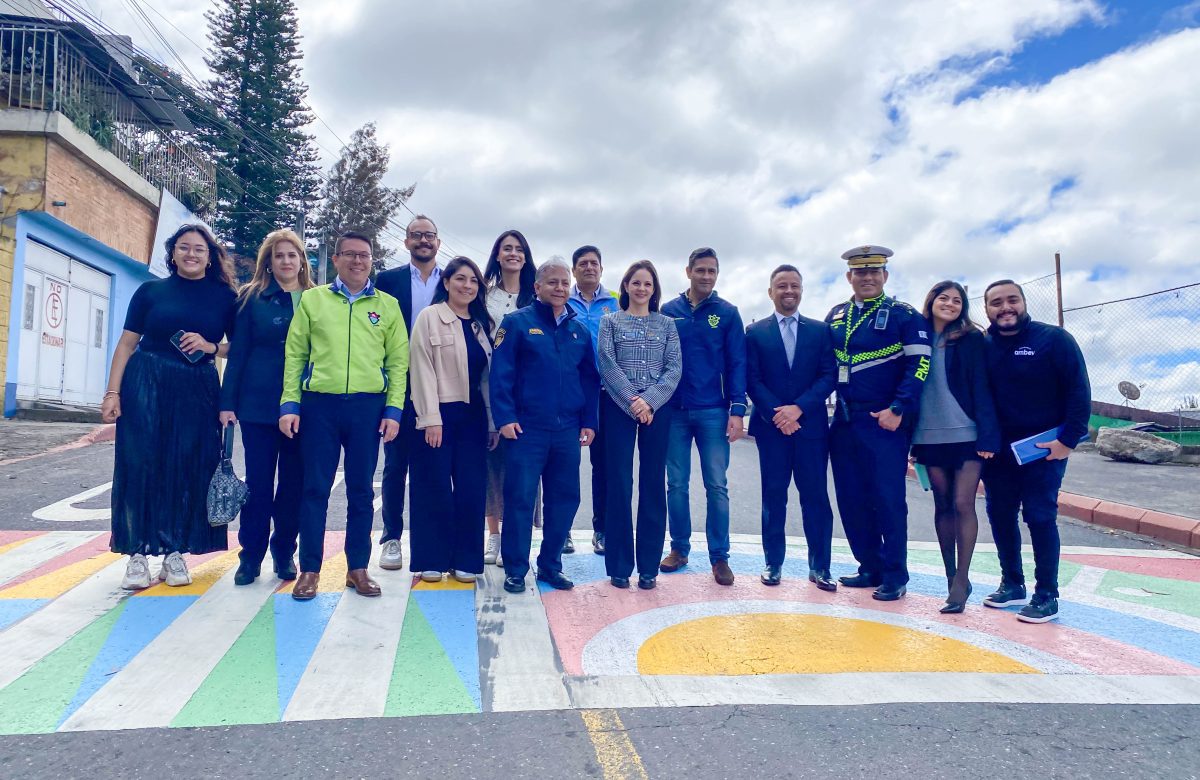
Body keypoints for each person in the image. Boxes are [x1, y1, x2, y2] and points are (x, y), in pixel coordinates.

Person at [102, 224, 237, 590]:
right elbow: (127, 345)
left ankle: (176, 551)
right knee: (140, 463)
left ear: (210, 256)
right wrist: (112, 393)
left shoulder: (225, 297)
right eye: (184, 248)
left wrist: (211, 346)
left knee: (189, 465)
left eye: (199, 249)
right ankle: (136, 554)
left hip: (197, 387)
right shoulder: (150, 292)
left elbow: (238, 348)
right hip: (146, 381)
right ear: (173, 253)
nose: (191, 254)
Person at [280, 231, 408, 601]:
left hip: (367, 408)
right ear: (335, 260)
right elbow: (296, 355)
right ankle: (309, 570)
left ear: (372, 261)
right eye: (349, 255)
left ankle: (357, 568)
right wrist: (290, 404)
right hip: (319, 405)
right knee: (315, 489)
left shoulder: (387, 306)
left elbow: (398, 363)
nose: (357, 261)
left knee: (361, 491)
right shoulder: (313, 300)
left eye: (364, 255)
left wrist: (394, 409)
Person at [980, 279, 1090, 623]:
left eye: (1012, 300)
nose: (1005, 307)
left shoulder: (1054, 340)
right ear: (987, 310)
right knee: (1000, 515)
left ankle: (1047, 595)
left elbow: (1078, 391)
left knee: (1040, 517)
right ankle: (1013, 583)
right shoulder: (982, 346)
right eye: (996, 303)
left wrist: (1067, 441)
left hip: (1043, 449)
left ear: (1023, 303)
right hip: (999, 453)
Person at [825, 245, 931, 601]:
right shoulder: (837, 315)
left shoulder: (904, 315)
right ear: (849, 277)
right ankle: (868, 565)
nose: (866, 278)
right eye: (860, 272)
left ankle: (895, 574)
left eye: (874, 272)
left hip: (884, 421)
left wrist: (899, 409)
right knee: (851, 498)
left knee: (887, 499)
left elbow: (920, 366)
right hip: (843, 420)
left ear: (885, 276)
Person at [490, 258, 599, 594]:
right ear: (537, 287)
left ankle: (551, 565)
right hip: (527, 431)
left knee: (564, 499)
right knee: (520, 499)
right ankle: (515, 569)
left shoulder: (578, 329)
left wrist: (590, 422)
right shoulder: (516, 323)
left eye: (564, 283)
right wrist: (505, 418)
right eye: (552, 282)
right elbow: (501, 374)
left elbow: (590, 380)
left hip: (567, 431)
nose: (560, 288)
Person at [218, 228, 314, 586]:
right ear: (268, 263)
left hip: (305, 408)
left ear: (302, 260)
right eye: (279, 256)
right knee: (258, 484)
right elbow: (238, 352)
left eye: (293, 255)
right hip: (258, 406)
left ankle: (284, 551)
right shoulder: (251, 299)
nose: (287, 261)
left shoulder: (317, 299)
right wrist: (227, 403)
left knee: (294, 485)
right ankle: (250, 556)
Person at [745, 265, 838, 589]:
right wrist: (778, 415)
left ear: (802, 290)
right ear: (771, 292)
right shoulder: (755, 333)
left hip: (810, 428)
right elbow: (751, 379)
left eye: (794, 286)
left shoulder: (820, 331)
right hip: (772, 431)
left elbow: (828, 375)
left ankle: (820, 567)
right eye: (781, 286)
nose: (788, 291)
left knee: (815, 498)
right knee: (774, 497)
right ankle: (773, 564)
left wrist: (799, 409)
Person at [911, 281, 1000, 613]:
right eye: (943, 298)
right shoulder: (916, 335)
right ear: (931, 300)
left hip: (967, 433)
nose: (949, 304)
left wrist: (989, 436)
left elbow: (982, 386)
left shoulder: (971, 339)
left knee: (964, 503)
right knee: (943, 505)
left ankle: (962, 579)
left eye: (957, 300)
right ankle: (950, 575)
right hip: (928, 434)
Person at [660, 247, 747, 586]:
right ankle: (679, 549)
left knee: (716, 486)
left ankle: (719, 557)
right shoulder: (669, 311)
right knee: (676, 485)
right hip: (675, 412)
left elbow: (738, 362)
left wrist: (737, 410)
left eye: (712, 271)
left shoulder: (727, 313)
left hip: (713, 410)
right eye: (701, 270)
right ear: (688, 271)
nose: (707, 277)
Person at [407, 256, 495, 584]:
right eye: (460, 279)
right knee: (434, 486)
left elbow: (487, 379)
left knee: (472, 488)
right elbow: (421, 368)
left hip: (472, 416)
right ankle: (431, 557)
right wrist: (431, 418)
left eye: (473, 281)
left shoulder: (480, 323)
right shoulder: (430, 317)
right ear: (447, 283)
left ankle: (466, 559)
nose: (467, 286)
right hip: (438, 414)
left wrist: (490, 423)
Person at [598, 260, 682, 590]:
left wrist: (650, 401)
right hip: (619, 406)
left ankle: (648, 566)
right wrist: (633, 400)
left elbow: (674, 369)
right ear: (627, 286)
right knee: (618, 483)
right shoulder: (610, 322)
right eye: (636, 283)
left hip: (657, 409)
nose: (642, 288)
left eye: (647, 284)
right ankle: (619, 565)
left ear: (654, 289)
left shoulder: (667, 325)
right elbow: (606, 362)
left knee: (651, 484)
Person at [374, 215, 442, 571]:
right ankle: (391, 538)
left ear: (438, 243)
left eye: (429, 235)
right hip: (398, 383)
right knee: (395, 464)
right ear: (406, 242)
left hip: (440, 386)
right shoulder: (387, 281)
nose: (423, 241)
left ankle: (429, 539)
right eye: (416, 235)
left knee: (431, 467)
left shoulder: (451, 281)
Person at [482, 230, 538, 567]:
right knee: (492, 466)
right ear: (498, 255)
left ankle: (520, 538)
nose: (513, 254)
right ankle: (494, 536)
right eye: (507, 248)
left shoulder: (537, 296)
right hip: (489, 386)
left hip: (529, 393)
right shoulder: (485, 294)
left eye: (519, 249)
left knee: (526, 469)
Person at [566, 245, 619, 555]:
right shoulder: (562, 298)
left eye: (594, 263)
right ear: (574, 270)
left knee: (605, 466)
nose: (589, 268)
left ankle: (602, 530)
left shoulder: (615, 301)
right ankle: (563, 532)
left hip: (608, 395)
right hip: (570, 394)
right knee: (565, 464)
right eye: (582, 264)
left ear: (601, 268)